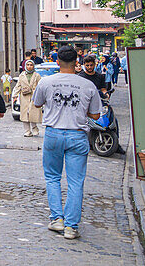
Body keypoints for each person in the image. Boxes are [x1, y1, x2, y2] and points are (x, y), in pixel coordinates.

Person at [33, 46, 102, 240]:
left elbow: (37, 103)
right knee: (75, 182)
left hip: (54, 134)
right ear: (77, 63)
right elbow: (96, 114)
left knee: (53, 177)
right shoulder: (88, 85)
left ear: (57, 62)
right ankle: (71, 226)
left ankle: (57, 219)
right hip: (77, 135)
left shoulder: (46, 82)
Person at [17, 58, 43, 137]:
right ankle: (27, 131)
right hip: (24, 96)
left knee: (33, 113)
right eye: (27, 65)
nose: (29, 66)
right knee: (25, 114)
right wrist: (15, 95)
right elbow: (18, 86)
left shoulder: (37, 76)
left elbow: (41, 86)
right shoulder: (22, 75)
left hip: (34, 96)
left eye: (31, 65)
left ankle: (34, 127)